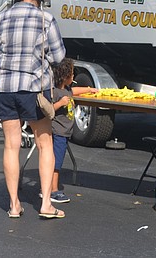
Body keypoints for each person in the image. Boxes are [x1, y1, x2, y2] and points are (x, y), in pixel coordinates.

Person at [0, 0, 67, 220]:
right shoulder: (45, 18)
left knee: (11, 145)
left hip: (3, 88)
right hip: (33, 89)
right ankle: (45, 205)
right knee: (44, 143)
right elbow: (58, 57)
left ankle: (14, 205)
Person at [49, 58, 97, 204]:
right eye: (71, 75)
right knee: (55, 164)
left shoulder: (67, 90)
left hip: (64, 133)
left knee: (58, 161)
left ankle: (50, 188)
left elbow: (75, 91)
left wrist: (89, 89)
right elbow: (49, 110)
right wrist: (60, 103)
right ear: (64, 77)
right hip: (57, 132)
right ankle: (53, 190)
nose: (73, 78)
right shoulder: (56, 92)